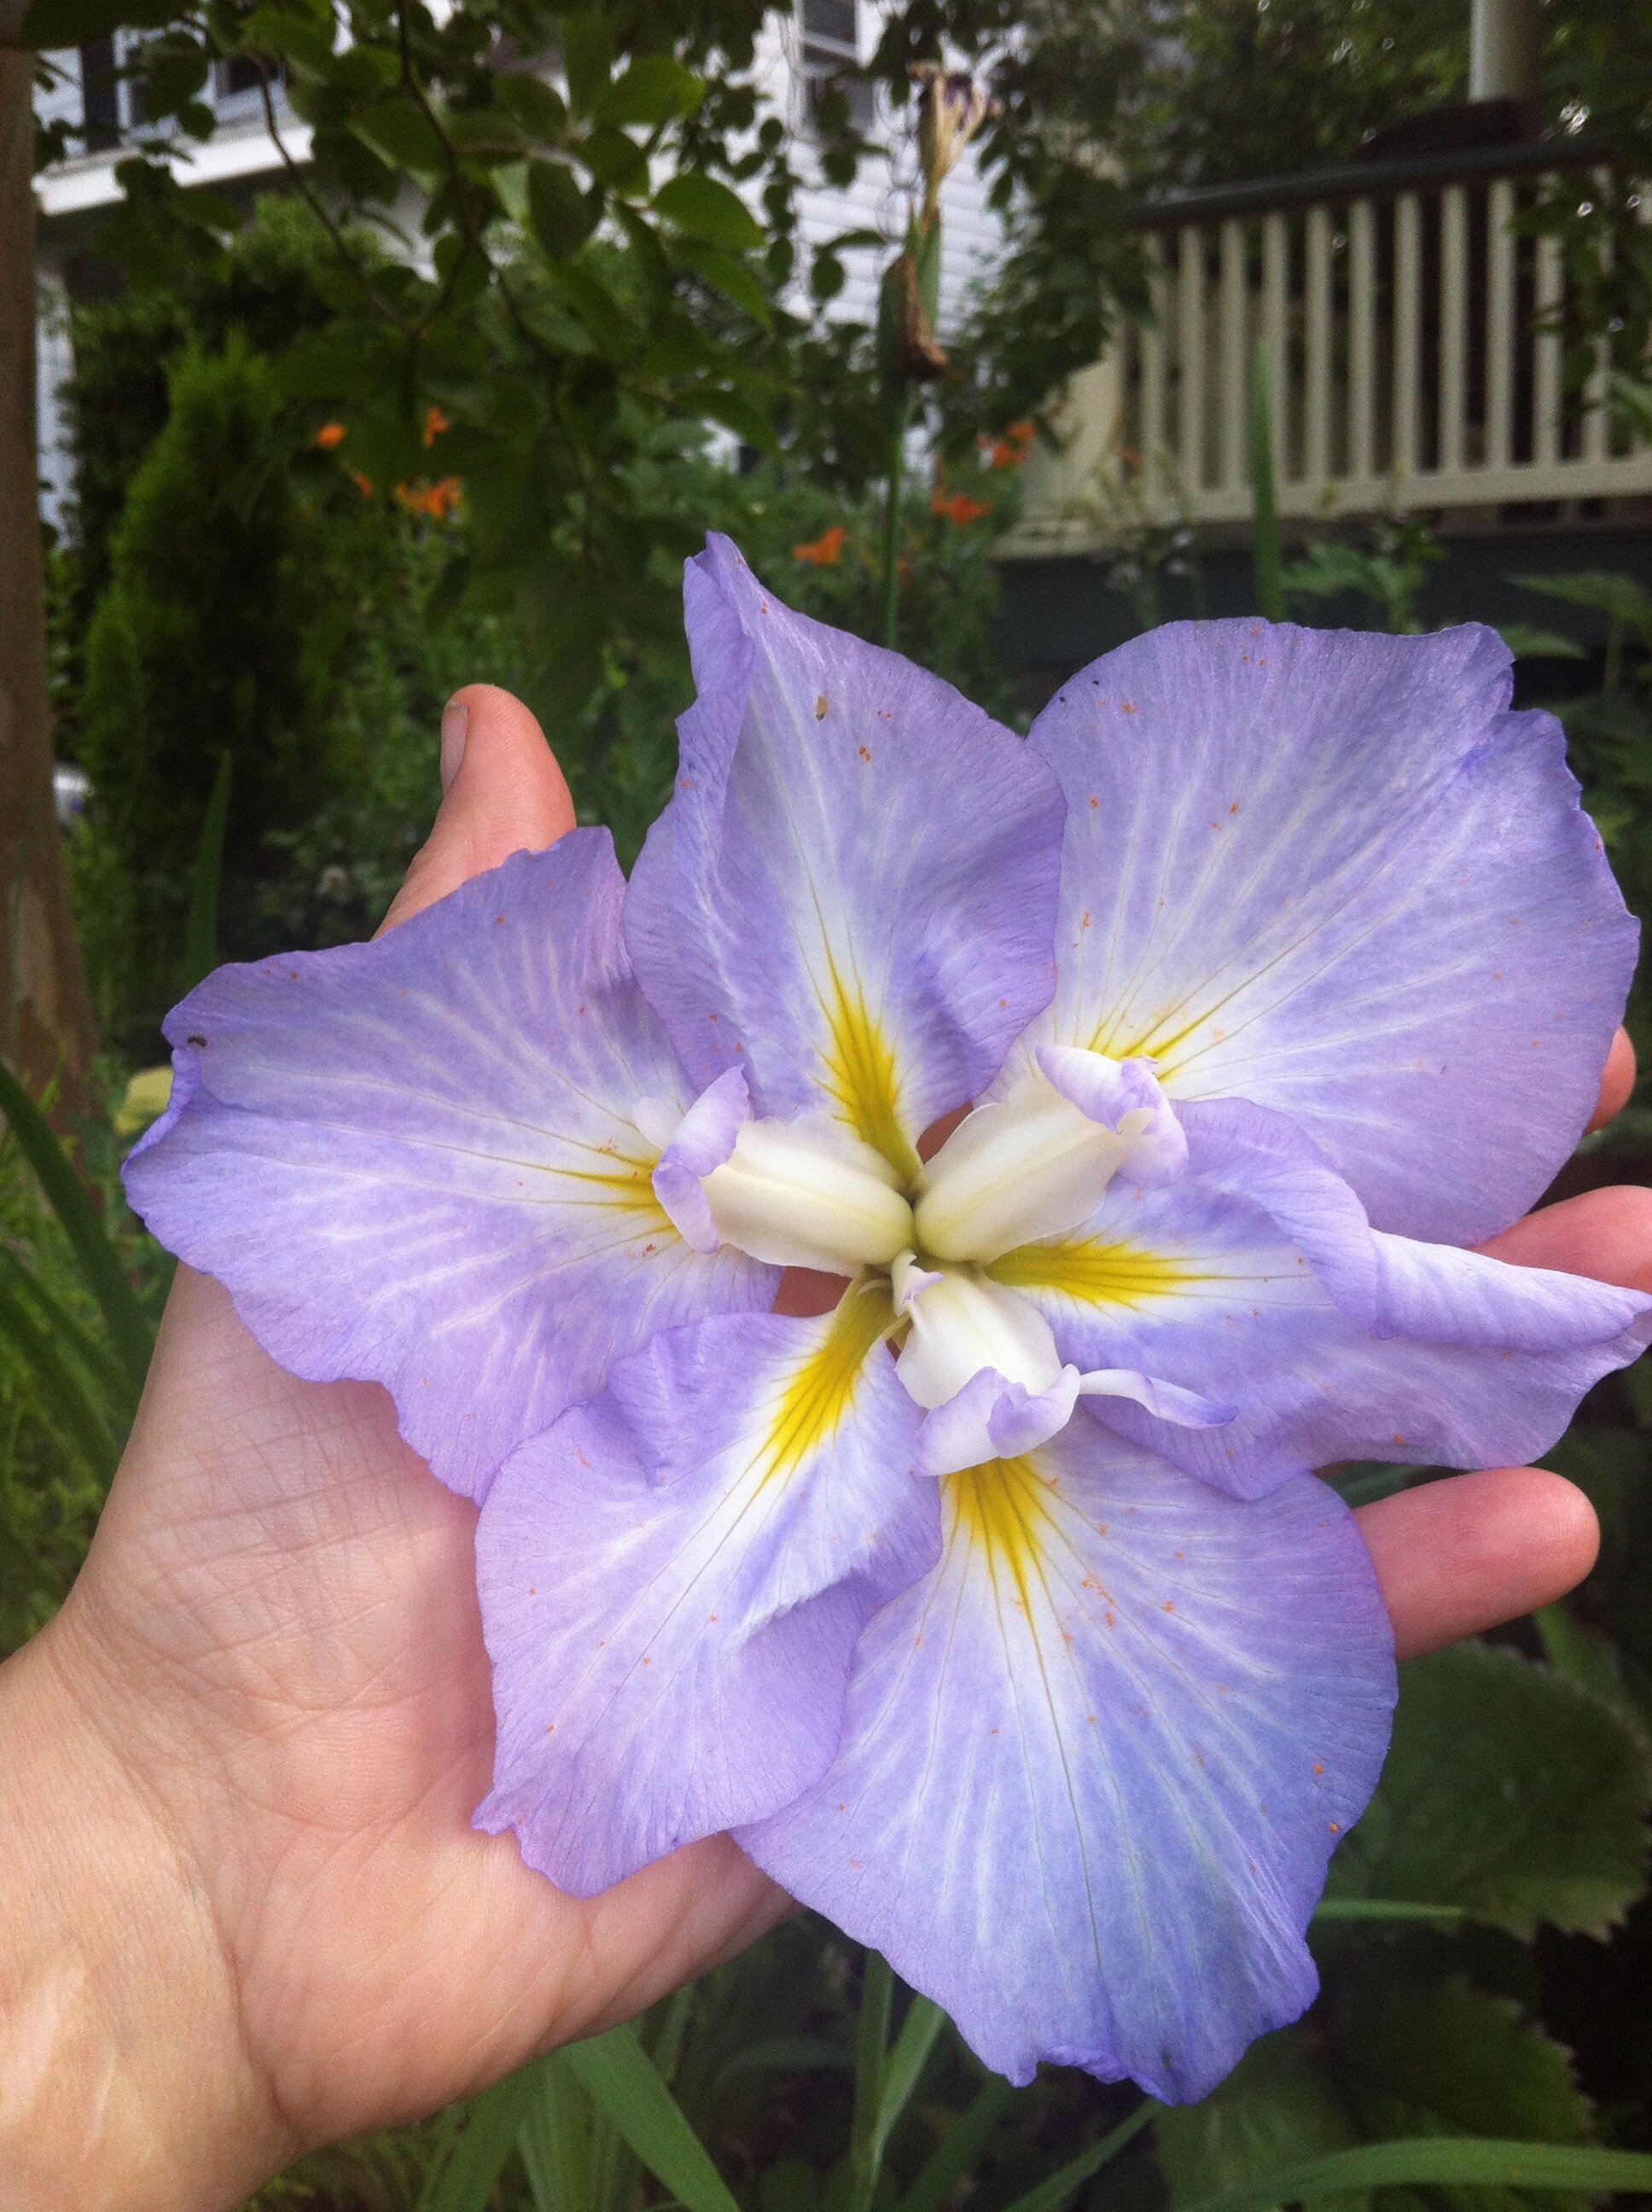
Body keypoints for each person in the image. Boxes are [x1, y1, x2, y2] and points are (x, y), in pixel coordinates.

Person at [1, 686, 1643, 2212]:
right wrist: (172, 1853)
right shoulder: (763, 1158)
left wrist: (162, 1924)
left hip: (995, 1385)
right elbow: (337, 1121)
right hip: (825, 1362)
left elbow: (1417, 846)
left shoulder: (1136, 1165)